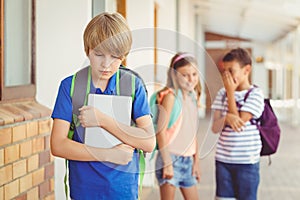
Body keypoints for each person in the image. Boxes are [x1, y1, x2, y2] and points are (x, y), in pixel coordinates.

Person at [50, 12, 155, 200]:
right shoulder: (71, 86)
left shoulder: (132, 85)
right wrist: (108, 155)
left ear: (124, 56)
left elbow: (148, 142)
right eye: (98, 54)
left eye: (115, 57)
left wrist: (103, 120)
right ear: (87, 50)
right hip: (84, 190)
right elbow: (57, 145)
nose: (106, 64)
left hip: (123, 189)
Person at [211, 48, 265, 200]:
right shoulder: (221, 94)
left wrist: (230, 93)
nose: (226, 75)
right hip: (223, 161)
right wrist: (226, 118)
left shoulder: (255, 94)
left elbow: (239, 124)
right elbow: (215, 127)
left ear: (246, 70)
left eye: (231, 70)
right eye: (224, 70)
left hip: (247, 163)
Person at [153, 52, 201, 200]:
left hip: (188, 161)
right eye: (185, 75)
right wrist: (167, 163)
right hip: (170, 159)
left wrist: (196, 162)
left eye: (194, 74)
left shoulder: (193, 97)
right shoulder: (170, 97)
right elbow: (160, 132)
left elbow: (193, 133)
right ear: (174, 76)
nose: (191, 79)